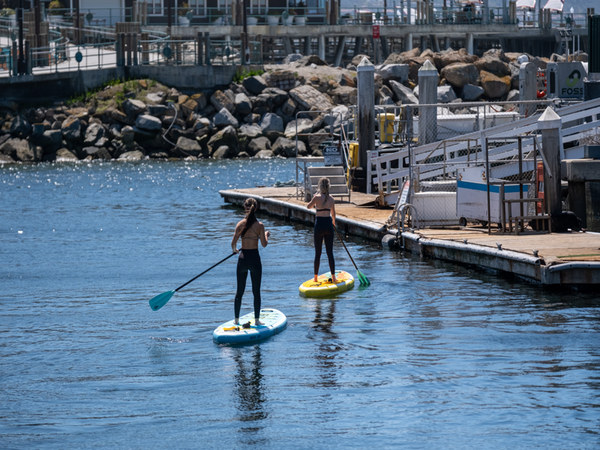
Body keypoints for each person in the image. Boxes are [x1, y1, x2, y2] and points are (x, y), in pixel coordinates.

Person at [231, 198, 270, 326]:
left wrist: (235, 250)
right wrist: (265, 235)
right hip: (254, 259)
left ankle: (236, 320)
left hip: (243, 259)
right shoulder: (260, 226)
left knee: (239, 292)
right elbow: (264, 245)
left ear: (245, 208)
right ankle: (257, 321)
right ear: (256, 208)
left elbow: (233, 244)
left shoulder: (240, 224)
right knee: (256, 291)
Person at [307, 177, 337, 284]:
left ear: (320, 187)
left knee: (318, 253)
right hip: (328, 225)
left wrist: (314, 197)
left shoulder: (317, 198)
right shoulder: (332, 199)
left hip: (319, 226)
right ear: (328, 187)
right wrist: (333, 223)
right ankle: (333, 277)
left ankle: (315, 278)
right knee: (330, 253)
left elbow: (308, 207)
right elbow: (333, 215)